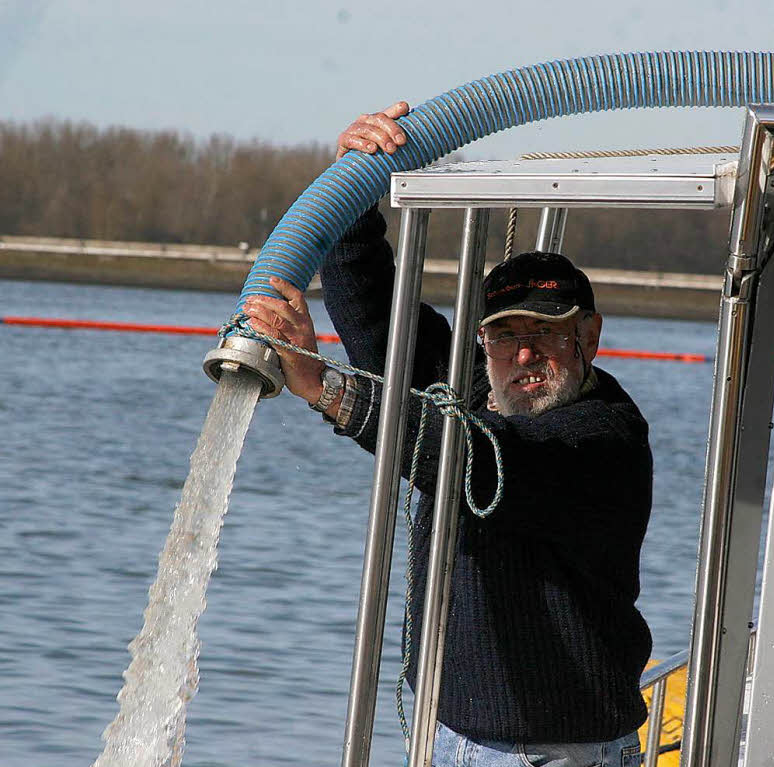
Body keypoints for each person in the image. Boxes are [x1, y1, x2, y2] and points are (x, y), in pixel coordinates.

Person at [242, 102, 653, 767]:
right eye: (509, 334)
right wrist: (357, 171)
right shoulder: (474, 385)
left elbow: (477, 463)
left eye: (546, 334)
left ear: (590, 337)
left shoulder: (602, 437)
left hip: (558, 755)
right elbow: (378, 316)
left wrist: (323, 386)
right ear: (484, 339)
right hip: (450, 737)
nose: (526, 356)